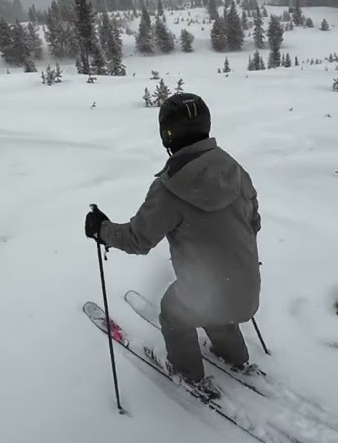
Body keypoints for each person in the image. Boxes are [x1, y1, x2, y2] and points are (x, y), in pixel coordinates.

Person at [84, 91, 261, 399]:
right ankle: (236, 357)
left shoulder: (170, 189)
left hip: (208, 292)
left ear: (167, 134)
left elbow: (138, 239)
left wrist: (102, 229)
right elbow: (253, 222)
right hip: (247, 290)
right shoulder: (234, 170)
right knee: (212, 301)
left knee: (173, 311)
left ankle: (187, 374)